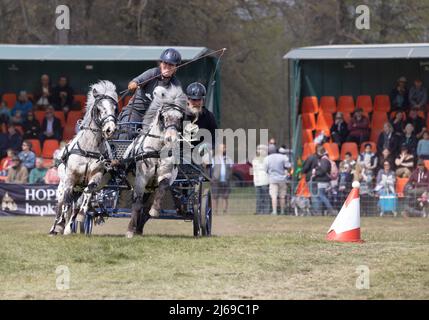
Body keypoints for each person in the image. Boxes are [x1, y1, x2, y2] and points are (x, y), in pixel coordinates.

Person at [118, 48, 182, 139]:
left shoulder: (175, 84)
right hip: (136, 112)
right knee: (127, 131)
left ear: (176, 67)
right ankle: (121, 151)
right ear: (161, 63)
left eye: (171, 64)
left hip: (155, 117)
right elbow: (136, 81)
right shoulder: (152, 73)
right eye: (165, 63)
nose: (167, 66)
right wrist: (133, 84)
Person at [302, 145, 335, 216]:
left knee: (316, 196)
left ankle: (319, 212)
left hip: (313, 179)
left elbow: (305, 168)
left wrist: (314, 173)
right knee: (318, 196)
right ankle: (320, 211)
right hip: (318, 179)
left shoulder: (313, 158)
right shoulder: (324, 158)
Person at [184, 82, 218, 149]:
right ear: (188, 99)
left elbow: (215, 138)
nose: (196, 103)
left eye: (199, 100)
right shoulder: (179, 115)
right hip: (179, 154)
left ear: (203, 100)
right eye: (193, 100)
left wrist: (208, 145)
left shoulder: (209, 116)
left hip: (200, 155)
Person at [264, 146, 290, 215]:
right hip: (282, 179)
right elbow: (288, 166)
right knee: (282, 196)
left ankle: (274, 211)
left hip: (272, 179)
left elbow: (265, 169)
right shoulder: (283, 157)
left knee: (274, 196)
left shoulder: (267, 159)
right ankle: (282, 211)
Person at [211, 143, 233, 214]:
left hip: (226, 180)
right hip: (216, 180)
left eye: (223, 148)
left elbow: (231, 168)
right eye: (221, 148)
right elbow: (211, 169)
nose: (222, 149)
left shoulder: (228, 158)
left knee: (225, 197)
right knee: (215, 196)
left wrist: (229, 177)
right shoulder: (214, 158)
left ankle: (224, 211)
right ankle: (215, 211)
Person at [252, 144, 270, 214]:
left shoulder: (267, 159)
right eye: (258, 149)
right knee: (258, 197)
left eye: (261, 149)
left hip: (265, 180)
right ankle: (258, 211)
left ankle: (266, 211)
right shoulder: (254, 159)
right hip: (257, 181)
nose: (259, 151)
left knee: (265, 197)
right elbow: (252, 170)